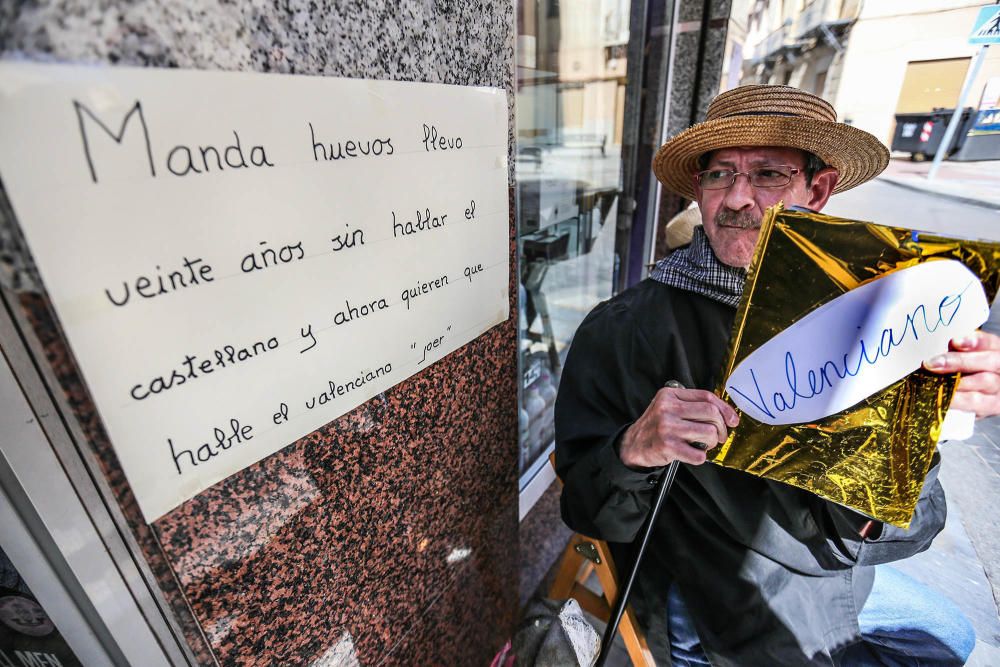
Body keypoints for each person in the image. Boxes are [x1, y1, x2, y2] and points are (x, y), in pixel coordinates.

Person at [554, 85, 1000, 666]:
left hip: (835, 575)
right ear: (698, 189)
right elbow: (587, 509)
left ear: (817, 189)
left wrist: (928, 428)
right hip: (726, 601)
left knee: (949, 636)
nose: (737, 198)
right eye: (719, 175)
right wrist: (634, 449)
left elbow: (912, 527)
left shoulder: (880, 319)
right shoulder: (624, 330)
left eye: (768, 174)